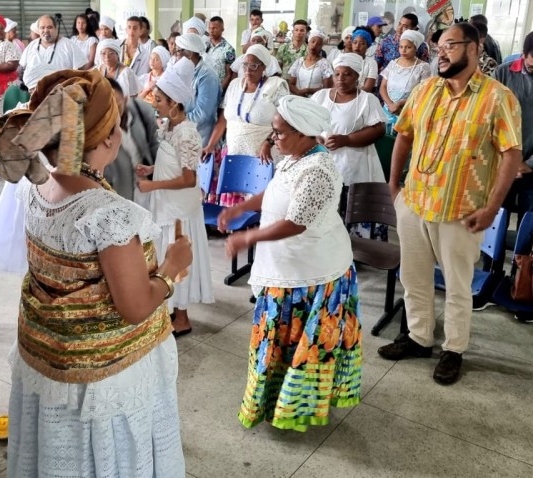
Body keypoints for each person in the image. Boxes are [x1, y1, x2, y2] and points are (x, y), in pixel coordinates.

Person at [0, 69, 189, 476]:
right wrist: (171, 270)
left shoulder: (36, 188)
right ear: (110, 137)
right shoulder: (109, 214)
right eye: (117, 122)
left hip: (51, 358)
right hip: (100, 376)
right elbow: (134, 307)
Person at [378, 23, 523, 385]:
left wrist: (492, 207)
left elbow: (510, 155)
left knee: (458, 285)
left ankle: (453, 349)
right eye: (438, 46)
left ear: (474, 49)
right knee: (413, 277)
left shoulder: (498, 97)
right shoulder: (426, 89)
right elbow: (404, 135)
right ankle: (418, 337)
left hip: (462, 209)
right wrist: (394, 184)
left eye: (451, 45)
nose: (441, 52)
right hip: (414, 202)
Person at [219, 95, 362, 432]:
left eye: (279, 133)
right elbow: (273, 193)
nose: (273, 140)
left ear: (304, 134)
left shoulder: (319, 171)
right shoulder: (294, 157)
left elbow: (296, 223)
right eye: (273, 132)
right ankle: (275, 401)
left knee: (300, 347)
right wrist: (241, 208)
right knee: (279, 343)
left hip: (311, 274)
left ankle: (295, 407)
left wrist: (247, 238)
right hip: (287, 268)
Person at [135, 58, 215, 337]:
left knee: (176, 255)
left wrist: (152, 186)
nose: (154, 103)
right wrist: (151, 170)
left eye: (159, 99)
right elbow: (172, 164)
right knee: (163, 255)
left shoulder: (188, 134)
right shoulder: (168, 128)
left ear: (175, 104)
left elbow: (189, 179)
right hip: (166, 203)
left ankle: (182, 317)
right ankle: (167, 308)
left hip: (180, 209)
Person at [312, 53, 387, 239]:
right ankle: (328, 246)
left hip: (357, 164)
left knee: (352, 205)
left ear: (357, 77)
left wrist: (346, 140)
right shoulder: (320, 96)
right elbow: (305, 123)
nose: (340, 79)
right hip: (324, 163)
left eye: (347, 74)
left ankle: (356, 249)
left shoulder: (367, 100)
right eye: (337, 74)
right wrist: (316, 138)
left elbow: (378, 130)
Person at [203, 45, 289, 205]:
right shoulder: (235, 85)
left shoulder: (276, 86)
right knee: (233, 211)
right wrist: (210, 145)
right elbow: (223, 120)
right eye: (245, 65)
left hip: (261, 157)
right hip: (234, 153)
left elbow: (285, 122)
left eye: (254, 65)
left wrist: (269, 143)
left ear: (264, 66)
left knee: (258, 208)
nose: (248, 70)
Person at [495, 31, 533, 230]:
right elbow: (489, 117)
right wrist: (505, 159)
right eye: (531, 65)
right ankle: (491, 262)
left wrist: (528, 164)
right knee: (497, 221)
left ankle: (522, 262)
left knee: (528, 228)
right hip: (502, 162)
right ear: (523, 55)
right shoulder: (502, 73)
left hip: (531, 166)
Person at [107, 78, 160, 203]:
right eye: (109, 108)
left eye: (118, 106)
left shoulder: (142, 110)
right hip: (122, 195)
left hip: (148, 187)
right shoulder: (100, 131)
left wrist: (156, 176)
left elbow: (156, 145)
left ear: (125, 100)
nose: (114, 112)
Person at [177, 33, 222, 147]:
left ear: (190, 54)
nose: (176, 55)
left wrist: (177, 121)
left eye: (179, 51)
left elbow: (202, 114)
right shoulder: (183, 71)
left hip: (201, 140)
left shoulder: (207, 76)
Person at [20, 15, 85, 92]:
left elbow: (81, 70)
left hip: (62, 95)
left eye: (49, 27)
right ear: (38, 30)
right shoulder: (31, 46)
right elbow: (23, 69)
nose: (46, 30)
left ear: (56, 29)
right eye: (42, 28)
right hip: (33, 95)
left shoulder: (68, 45)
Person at [380, 30, 431, 123]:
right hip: (388, 111)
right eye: (401, 47)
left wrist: (400, 103)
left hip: (408, 111)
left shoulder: (423, 67)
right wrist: (390, 104)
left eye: (408, 47)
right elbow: (383, 87)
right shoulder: (393, 64)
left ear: (416, 48)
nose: (403, 50)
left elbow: (423, 92)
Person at [288, 30, 334, 97]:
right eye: (313, 41)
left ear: (321, 47)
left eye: (318, 44)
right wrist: (298, 92)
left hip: (316, 100)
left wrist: (308, 91)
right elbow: (291, 84)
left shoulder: (325, 64)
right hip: (297, 99)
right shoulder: (299, 62)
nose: (314, 45)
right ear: (308, 42)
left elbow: (327, 88)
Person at [205, 16, 236, 91]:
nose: (211, 31)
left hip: (219, 89)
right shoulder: (204, 46)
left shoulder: (228, 49)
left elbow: (229, 75)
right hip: (204, 88)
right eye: (210, 28)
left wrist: (219, 91)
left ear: (222, 29)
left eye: (214, 28)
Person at [350, 27, 379, 92]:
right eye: (355, 42)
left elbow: (368, 88)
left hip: (363, 97)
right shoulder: (345, 60)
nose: (357, 46)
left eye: (362, 43)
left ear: (367, 46)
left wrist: (352, 96)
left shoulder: (371, 63)